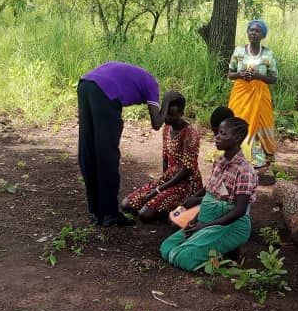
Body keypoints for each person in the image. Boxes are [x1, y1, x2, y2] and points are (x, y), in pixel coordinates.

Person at [77, 62, 177, 227]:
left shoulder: (137, 75)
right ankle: (109, 214)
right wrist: (166, 100)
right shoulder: (152, 84)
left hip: (86, 84)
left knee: (88, 149)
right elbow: (157, 123)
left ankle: (95, 211)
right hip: (106, 92)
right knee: (107, 154)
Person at [160, 117, 258, 271]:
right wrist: (195, 202)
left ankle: (224, 255)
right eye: (218, 132)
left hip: (229, 225)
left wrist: (204, 226)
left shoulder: (245, 171)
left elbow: (239, 210)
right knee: (166, 247)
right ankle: (218, 251)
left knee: (184, 258)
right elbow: (212, 187)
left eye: (223, 134)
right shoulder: (220, 161)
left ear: (237, 138)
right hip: (206, 218)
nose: (217, 137)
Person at [121, 95, 203, 223]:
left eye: (171, 115)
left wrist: (159, 190)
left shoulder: (190, 134)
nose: (166, 118)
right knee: (127, 204)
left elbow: (187, 170)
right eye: (165, 113)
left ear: (181, 113)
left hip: (186, 184)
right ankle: (164, 208)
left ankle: (174, 211)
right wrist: (161, 183)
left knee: (145, 215)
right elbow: (165, 157)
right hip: (169, 179)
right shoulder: (167, 128)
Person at [227, 20, 279, 168]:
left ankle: (259, 157)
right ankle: (237, 154)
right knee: (239, 122)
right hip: (241, 94)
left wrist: (259, 77)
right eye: (251, 30)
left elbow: (274, 78)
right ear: (247, 32)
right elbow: (230, 74)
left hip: (260, 95)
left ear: (263, 35)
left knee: (261, 123)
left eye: (257, 31)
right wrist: (239, 74)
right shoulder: (239, 51)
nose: (253, 33)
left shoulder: (268, 54)